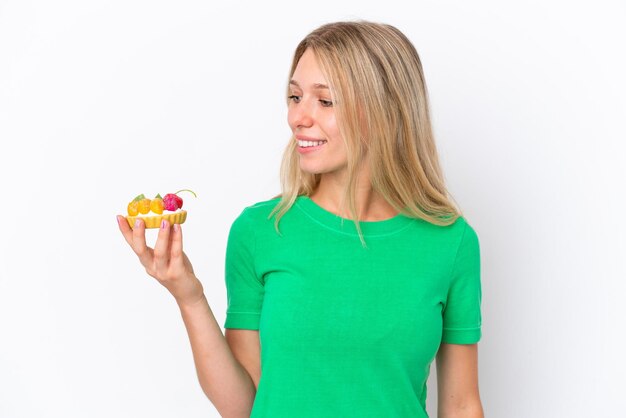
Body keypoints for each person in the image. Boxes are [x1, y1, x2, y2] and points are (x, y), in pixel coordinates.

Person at [117, 20, 484, 418]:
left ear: (386, 110)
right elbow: (242, 406)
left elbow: (462, 405)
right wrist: (187, 295)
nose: (298, 118)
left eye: (325, 101)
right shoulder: (261, 231)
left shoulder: (450, 242)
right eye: (295, 97)